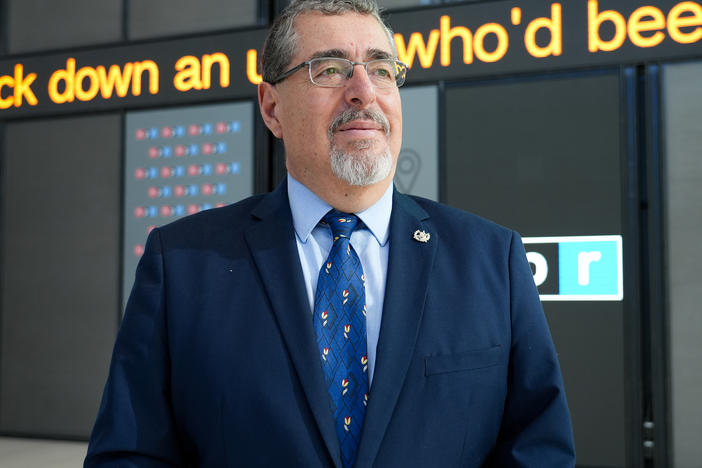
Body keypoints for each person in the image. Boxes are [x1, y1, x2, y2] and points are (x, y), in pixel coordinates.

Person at [85, 0, 575, 466]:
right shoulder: (182, 263)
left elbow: (537, 450)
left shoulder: (492, 258)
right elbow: (130, 454)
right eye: (331, 69)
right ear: (272, 107)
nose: (364, 91)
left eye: (382, 69)